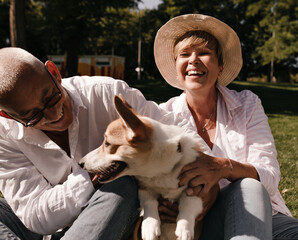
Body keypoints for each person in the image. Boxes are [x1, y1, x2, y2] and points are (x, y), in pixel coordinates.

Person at [153, 14, 298, 240]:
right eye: (184, 55)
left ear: (220, 65)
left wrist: (223, 167)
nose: (193, 60)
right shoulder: (163, 116)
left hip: (264, 216)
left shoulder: (247, 104)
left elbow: (270, 176)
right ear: (176, 65)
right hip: (200, 224)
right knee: (249, 186)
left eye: (204, 53)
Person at [0, 47, 191, 240]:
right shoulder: (4, 134)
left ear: (55, 73)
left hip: (112, 216)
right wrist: (92, 175)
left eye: (51, 97)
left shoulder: (107, 93)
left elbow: (179, 134)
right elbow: (35, 216)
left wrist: (215, 169)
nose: (53, 115)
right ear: (6, 115)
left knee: (123, 183)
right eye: (33, 116)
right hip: (46, 233)